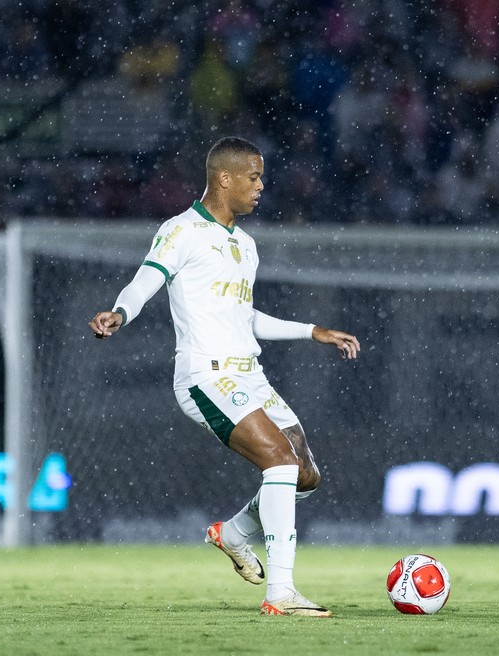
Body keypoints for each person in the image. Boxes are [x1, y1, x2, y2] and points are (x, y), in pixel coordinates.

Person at [89, 136, 359, 617]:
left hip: (249, 374)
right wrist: (119, 313)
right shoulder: (182, 230)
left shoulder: (246, 245)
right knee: (277, 460)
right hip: (204, 376)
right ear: (224, 178)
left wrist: (312, 331)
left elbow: (244, 318)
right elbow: (145, 278)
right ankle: (281, 593)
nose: (261, 186)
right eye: (253, 177)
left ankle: (233, 534)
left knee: (304, 474)